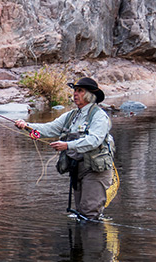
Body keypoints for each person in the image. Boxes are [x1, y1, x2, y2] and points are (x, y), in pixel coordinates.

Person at [15, 77, 115, 219]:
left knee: (90, 213)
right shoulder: (71, 116)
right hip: (77, 168)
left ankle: (94, 240)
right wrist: (27, 126)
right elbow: (50, 129)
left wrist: (67, 145)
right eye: (75, 90)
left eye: (79, 90)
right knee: (82, 213)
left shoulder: (99, 116)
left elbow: (94, 140)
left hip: (95, 170)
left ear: (90, 95)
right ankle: (82, 240)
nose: (75, 93)